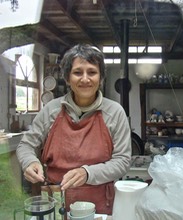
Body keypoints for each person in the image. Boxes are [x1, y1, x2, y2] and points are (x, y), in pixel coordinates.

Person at [16, 44, 132, 215]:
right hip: (55, 201)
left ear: (101, 78)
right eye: (78, 72)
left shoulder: (115, 112)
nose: (85, 79)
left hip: (99, 203)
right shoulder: (51, 110)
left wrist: (87, 173)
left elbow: (122, 161)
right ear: (68, 78)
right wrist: (30, 162)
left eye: (92, 72)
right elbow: (26, 145)